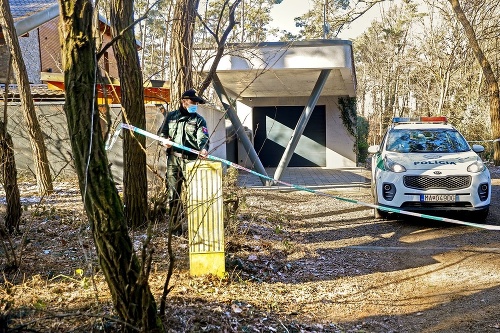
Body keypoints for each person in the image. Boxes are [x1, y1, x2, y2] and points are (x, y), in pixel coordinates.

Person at [159, 89, 209, 235]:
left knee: (197, 195)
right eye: (193, 102)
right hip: (173, 160)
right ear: (184, 101)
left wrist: (203, 149)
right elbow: (161, 133)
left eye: (197, 103)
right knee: (173, 195)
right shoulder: (171, 117)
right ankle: (176, 229)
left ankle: (198, 229)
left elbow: (203, 138)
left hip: (192, 161)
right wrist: (164, 141)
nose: (195, 105)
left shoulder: (199, 120)